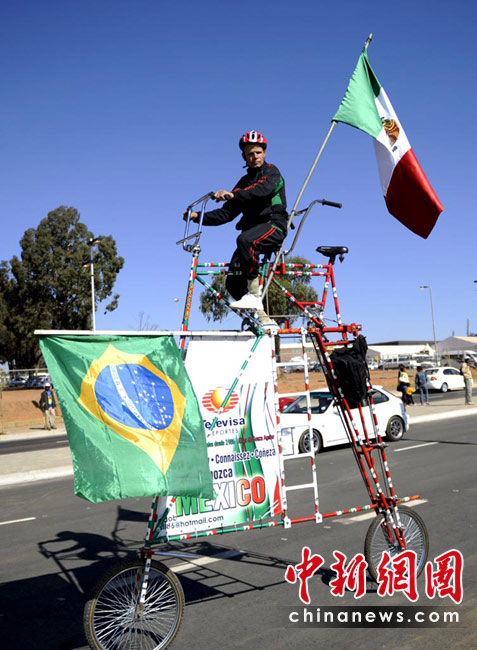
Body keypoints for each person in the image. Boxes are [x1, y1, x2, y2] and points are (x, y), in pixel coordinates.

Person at [185, 130, 287, 326]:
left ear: (264, 153)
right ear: (244, 157)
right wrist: (198, 217)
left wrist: (233, 195)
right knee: (232, 282)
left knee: (246, 240)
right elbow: (227, 214)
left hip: (274, 225)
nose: (255, 157)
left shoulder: (272, 173)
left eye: (258, 152)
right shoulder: (243, 183)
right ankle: (262, 320)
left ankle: (254, 296)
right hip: (252, 231)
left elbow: (262, 190)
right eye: (250, 154)